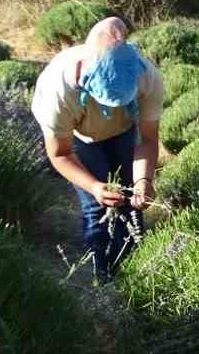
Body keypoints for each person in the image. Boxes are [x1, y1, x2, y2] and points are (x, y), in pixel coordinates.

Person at [30, 17, 163, 282]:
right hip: (81, 138)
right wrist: (94, 186)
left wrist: (143, 181)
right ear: (84, 77)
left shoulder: (147, 77)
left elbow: (147, 139)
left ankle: (134, 273)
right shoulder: (58, 90)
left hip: (125, 132)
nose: (112, 108)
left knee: (131, 201)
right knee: (96, 207)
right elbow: (60, 154)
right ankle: (101, 279)